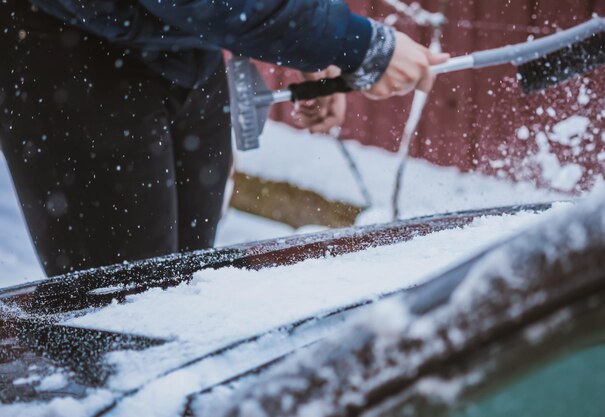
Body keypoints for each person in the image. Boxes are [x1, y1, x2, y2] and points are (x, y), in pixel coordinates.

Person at [0, 0, 448, 277]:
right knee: (122, 312)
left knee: (192, 287)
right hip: (70, 53)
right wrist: (351, 42)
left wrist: (301, 31)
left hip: (189, 47)